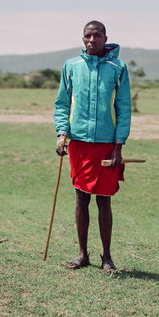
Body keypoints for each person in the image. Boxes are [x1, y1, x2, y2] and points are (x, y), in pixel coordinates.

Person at [54, 20, 131, 272]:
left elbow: (123, 108)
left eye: (96, 36)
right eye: (87, 36)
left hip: (107, 145)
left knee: (104, 200)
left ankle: (106, 257)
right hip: (79, 144)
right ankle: (82, 254)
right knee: (80, 197)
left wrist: (119, 146)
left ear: (105, 37)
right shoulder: (70, 67)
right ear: (82, 38)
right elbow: (62, 104)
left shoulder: (117, 68)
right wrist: (61, 133)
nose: (91, 40)